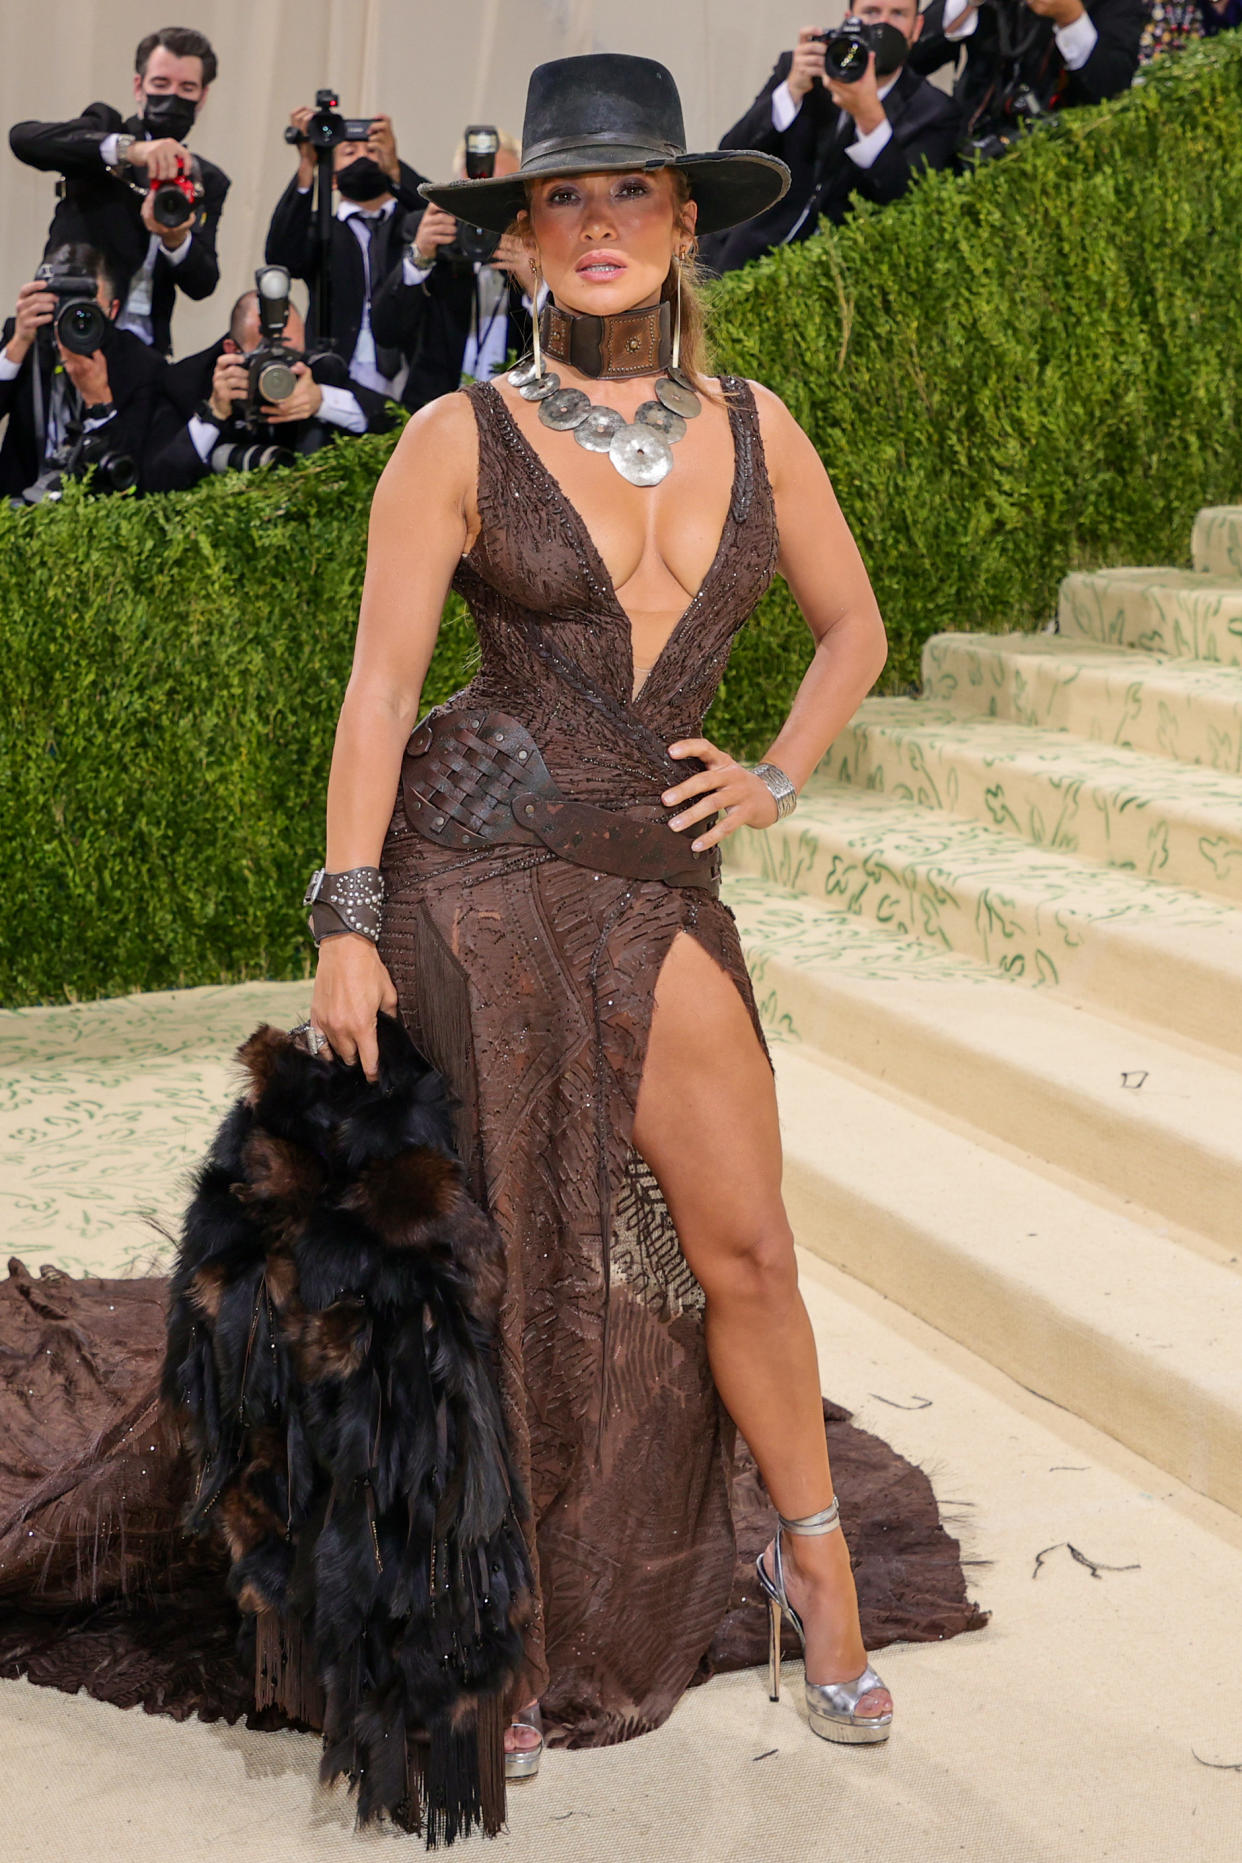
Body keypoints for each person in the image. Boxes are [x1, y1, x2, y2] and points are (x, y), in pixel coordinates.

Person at [305, 52, 898, 1780]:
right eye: (559, 198)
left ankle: (819, 1578)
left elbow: (852, 631)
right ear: (516, 245)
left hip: (654, 875)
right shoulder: (454, 438)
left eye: (626, 191)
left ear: (684, 219)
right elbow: (376, 690)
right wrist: (347, 916)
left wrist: (777, 773)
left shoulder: (757, 426)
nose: (593, 225)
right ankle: (495, 1618)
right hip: (472, 873)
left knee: (745, 1244)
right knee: (517, 1261)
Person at [8, 26, 228, 356]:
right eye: (160, 84)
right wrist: (129, 150)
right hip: (72, 332)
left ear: (203, 96)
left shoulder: (205, 178)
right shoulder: (107, 132)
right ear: (139, 87)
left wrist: (176, 239)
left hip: (144, 357)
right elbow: (23, 139)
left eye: (187, 87)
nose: (172, 97)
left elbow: (203, 284)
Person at [701, 3, 960, 275]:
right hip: (737, 258)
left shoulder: (934, 111)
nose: (882, 25)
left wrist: (870, 119)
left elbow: (908, 206)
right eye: (871, 12)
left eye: (897, 14)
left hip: (835, 281)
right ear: (850, 20)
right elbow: (732, 155)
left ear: (916, 27)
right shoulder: (799, 70)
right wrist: (791, 92)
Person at [144, 283, 395, 494]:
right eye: (266, 357)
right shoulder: (188, 381)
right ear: (232, 350)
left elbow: (396, 422)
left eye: (289, 355)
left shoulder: (315, 372)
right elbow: (157, 484)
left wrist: (321, 401)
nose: (278, 371)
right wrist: (213, 414)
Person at [370, 130, 544, 410]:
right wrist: (420, 257)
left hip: (521, 417)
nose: (483, 211)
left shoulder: (542, 248)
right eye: (471, 195)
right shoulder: (439, 246)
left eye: (497, 192)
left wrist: (535, 283)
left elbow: (569, 350)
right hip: (434, 415)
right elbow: (386, 332)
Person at [264, 111, 426, 402]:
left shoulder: (416, 224)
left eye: (373, 149)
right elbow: (281, 256)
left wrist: (396, 169)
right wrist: (308, 164)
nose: (363, 157)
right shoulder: (322, 229)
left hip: (411, 372)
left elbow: (444, 218)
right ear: (333, 177)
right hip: (336, 376)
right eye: (349, 151)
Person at [0, 241, 163, 502]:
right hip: (17, 505)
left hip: (93, 516)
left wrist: (100, 402)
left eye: (88, 309)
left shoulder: (141, 365)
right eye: (62, 305)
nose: (75, 319)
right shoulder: (24, 337)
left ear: (113, 310)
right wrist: (17, 345)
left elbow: (132, 476)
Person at [908, 0, 1143, 142]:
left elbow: (1112, 89)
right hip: (970, 146)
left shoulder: (1116, 5)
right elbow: (913, 59)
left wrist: (1071, 18)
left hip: (1062, 156)